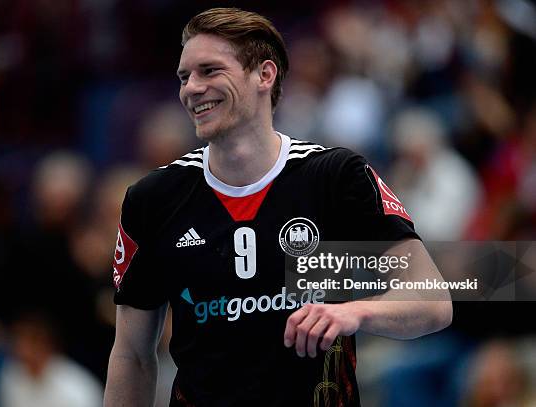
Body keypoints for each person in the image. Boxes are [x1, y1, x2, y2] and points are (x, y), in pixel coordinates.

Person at [104, 8, 452, 407]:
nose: (191, 88)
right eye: (185, 77)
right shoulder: (153, 199)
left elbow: (433, 300)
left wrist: (355, 312)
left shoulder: (335, 178)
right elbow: (131, 355)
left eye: (209, 71)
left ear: (264, 76)